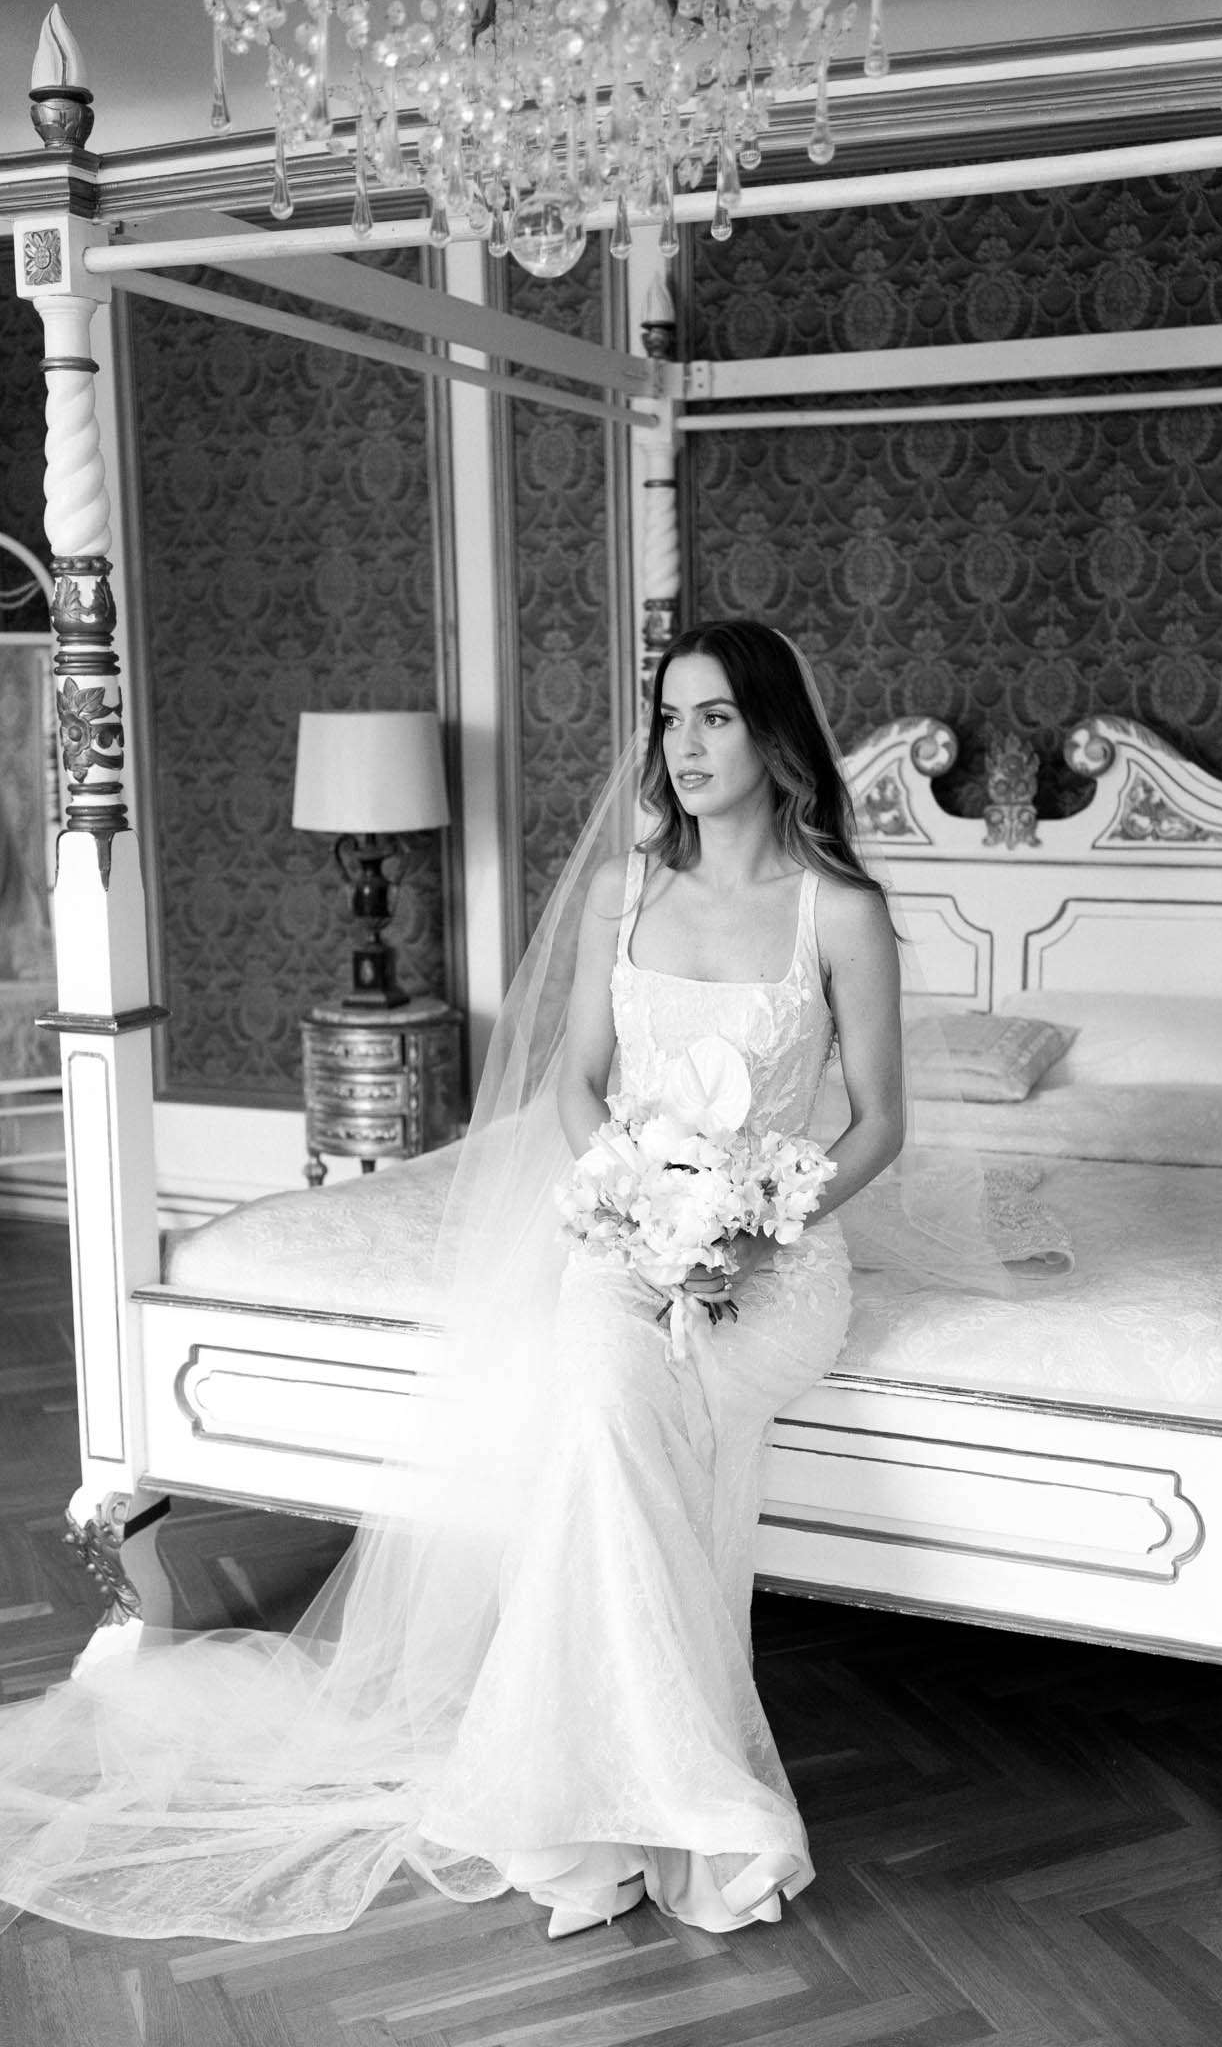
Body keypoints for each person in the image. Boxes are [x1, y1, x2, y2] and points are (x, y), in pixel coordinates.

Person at [0, 619, 994, 1946]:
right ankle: (673, 1806)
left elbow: (876, 1121)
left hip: (776, 1265)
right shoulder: (622, 898)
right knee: (598, 1418)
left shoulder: (840, 911)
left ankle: (593, 1818)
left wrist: (755, 1221)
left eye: (712, 719)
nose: (683, 747)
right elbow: (579, 1085)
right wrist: (633, 1206)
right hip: (619, 1239)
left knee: (618, 1435)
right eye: (667, 719)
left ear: (771, 734)